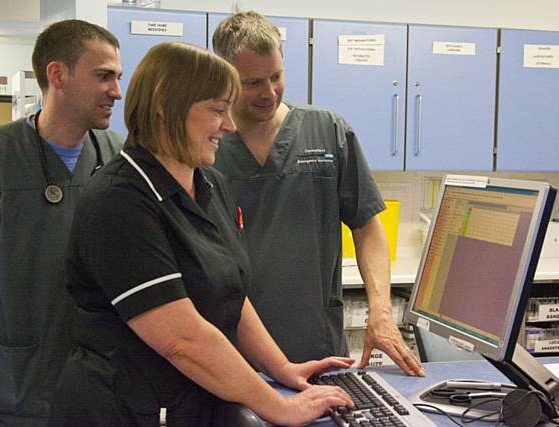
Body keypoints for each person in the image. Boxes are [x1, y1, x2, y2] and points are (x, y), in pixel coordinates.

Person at [47, 41, 354, 426]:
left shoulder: (210, 184)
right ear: (165, 107)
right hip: (128, 410)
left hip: (194, 403)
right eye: (217, 110)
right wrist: (278, 406)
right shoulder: (117, 202)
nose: (230, 126)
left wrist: (282, 368)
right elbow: (182, 339)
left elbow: (230, 295)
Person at [0, 20, 124, 426]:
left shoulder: (118, 158)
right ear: (58, 75)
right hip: (11, 395)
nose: (116, 91)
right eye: (103, 76)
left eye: (117, 77)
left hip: (102, 395)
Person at [212, 11, 424, 376]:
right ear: (223, 74)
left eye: (276, 76)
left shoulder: (327, 132)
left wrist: (381, 312)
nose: (269, 92)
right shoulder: (205, 145)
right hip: (230, 355)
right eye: (252, 83)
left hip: (317, 350)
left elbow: (367, 226)